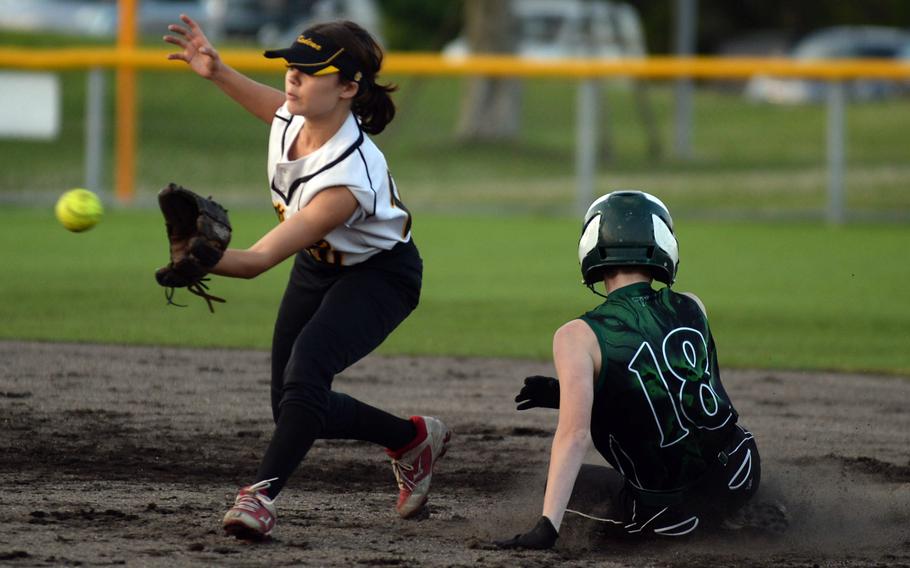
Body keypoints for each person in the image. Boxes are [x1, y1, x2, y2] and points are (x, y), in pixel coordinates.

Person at [163, 15, 451, 540]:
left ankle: (260, 498)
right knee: (291, 404)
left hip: (380, 276)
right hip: (319, 266)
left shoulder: (347, 177)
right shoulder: (296, 117)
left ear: (348, 88)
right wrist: (217, 70)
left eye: (310, 69)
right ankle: (410, 439)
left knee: (307, 373)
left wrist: (199, 260)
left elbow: (253, 263)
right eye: (292, 65)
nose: (293, 77)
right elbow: (269, 107)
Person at [495, 190, 774, 550]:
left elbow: (574, 437)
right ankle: (737, 516)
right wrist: (575, 393)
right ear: (662, 243)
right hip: (740, 472)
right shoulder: (692, 305)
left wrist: (547, 527)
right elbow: (669, 390)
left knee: (558, 488)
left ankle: (702, 526)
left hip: (670, 513)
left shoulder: (576, 337)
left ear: (592, 247)